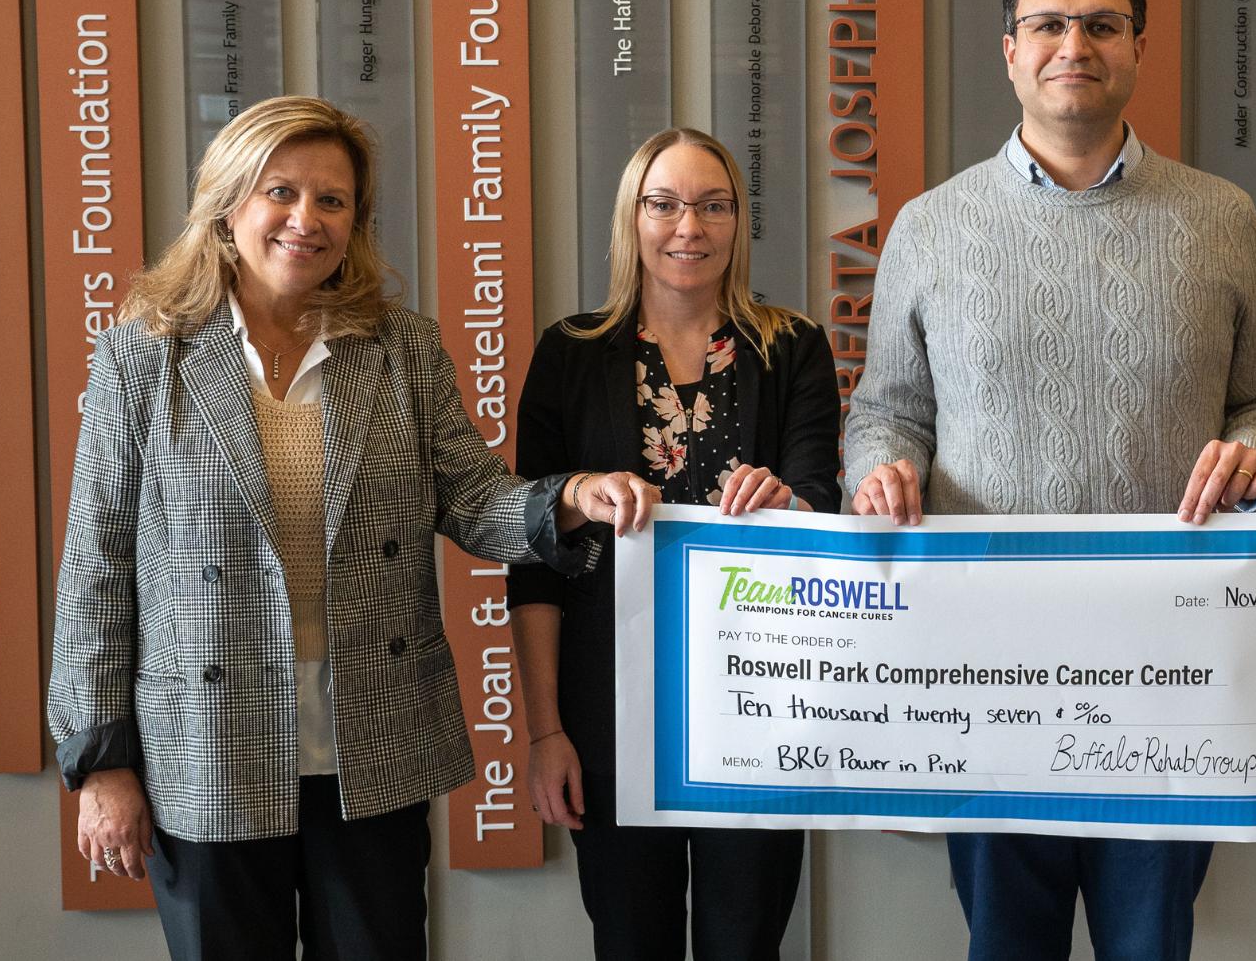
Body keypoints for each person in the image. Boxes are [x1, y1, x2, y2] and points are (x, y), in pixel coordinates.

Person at [46, 95, 621, 959]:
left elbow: (472, 497)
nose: (305, 220)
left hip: (373, 737)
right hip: (207, 747)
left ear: (356, 220)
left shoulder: (401, 348)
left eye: (333, 200)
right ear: (228, 202)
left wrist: (570, 496)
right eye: (281, 192)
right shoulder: (145, 352)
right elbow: (96, 565)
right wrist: (101, 763)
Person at [843, 0, 1256, 961]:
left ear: (1136, 47)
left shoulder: (1220, 218)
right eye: (1047, 24)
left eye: (1099, 24)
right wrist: (881, 468)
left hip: (1173, 662)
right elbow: (886, 410)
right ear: (1008, 51)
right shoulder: (929, 225)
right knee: (1006, 946)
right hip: (982, 668)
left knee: (1149, 946)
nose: (1073, 44)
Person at [510, 128, 842, 959]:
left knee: (746, 942)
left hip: (761, 710)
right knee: (631, 942)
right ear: (633, 217)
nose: (688, 225)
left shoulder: (793, 347)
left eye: (713, 205)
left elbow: (822, 505)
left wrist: (789, 502)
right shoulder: (569, 354)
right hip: (609, 719)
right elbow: (534, 554)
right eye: (664, 204)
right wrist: (546, 729)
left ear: (738, 220)